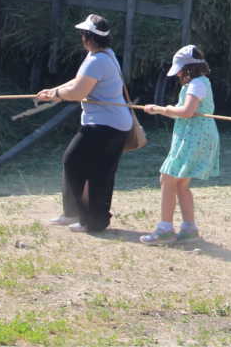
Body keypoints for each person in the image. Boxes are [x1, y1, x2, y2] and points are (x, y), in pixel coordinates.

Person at [34, 13, 132, 233]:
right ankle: (74, 214)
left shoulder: (98, 60)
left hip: (107, 126)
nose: (81, 38)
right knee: (76, 163)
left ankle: (94, 221)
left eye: (82, 34)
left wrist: (56, 93)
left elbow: (79, 91)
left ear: (89, 38)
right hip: (105, 123)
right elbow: (79, 82)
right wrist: (55, 92)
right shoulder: (101, 55)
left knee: (89, 168)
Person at [139, 45, 220, 245]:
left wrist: (160, 108)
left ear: (188, 68)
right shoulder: (198, 83)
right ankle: (189, 228)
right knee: (181, 183)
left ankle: (165, 229)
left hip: (195, 136)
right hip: (193, 134)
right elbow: (184, 109)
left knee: (168, 177)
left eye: (181, 70)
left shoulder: (197, 84)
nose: (179, 75)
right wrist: (160, 110)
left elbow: (186, 112)